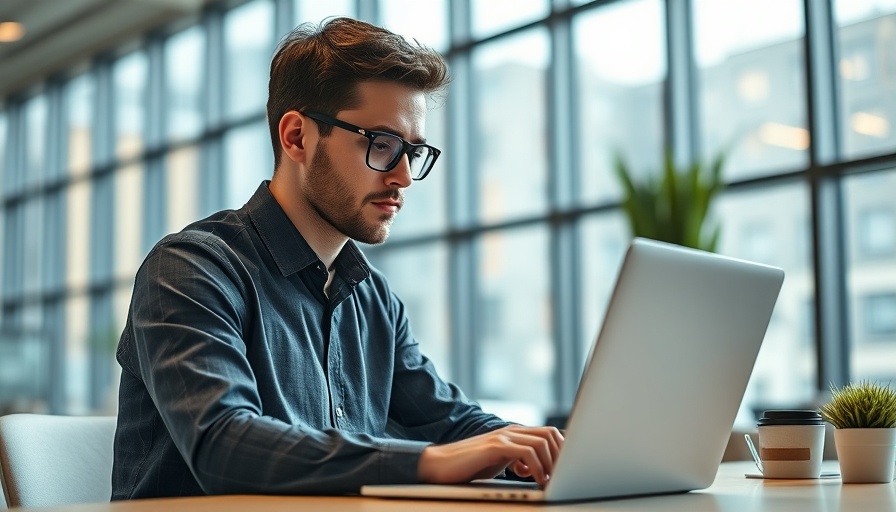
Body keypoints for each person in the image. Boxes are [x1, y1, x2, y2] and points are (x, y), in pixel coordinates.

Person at [111, 17, 563, 499]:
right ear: (297, 137)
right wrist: (432, 461)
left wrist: (548, 453)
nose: (404, 177)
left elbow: (450, 422)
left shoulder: (373, 300)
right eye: (383, 145)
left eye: (414, 152)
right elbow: (224, 446)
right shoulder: (190, 270)